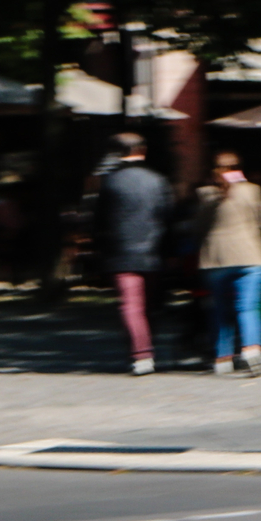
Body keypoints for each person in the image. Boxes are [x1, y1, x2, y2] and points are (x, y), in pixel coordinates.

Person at [91, 133, 173, 375]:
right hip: (154, 252)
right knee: (149, 306)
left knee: (131, 305)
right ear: (143, 150)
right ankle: (147, 346)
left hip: (121, 253)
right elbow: (168, 217)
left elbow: (99, 220)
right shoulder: (158, 181)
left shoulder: (111, 182)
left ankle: (141, 354)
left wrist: (100, 248)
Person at [195, 150, 261, 377]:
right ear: (239, 167)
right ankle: (251, 351)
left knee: (219, 310)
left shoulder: (205, 194)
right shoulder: (253, 191)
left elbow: (198, 228)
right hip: (251, 256)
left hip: (216, 258)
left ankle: (222, 358)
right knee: (248, 307)